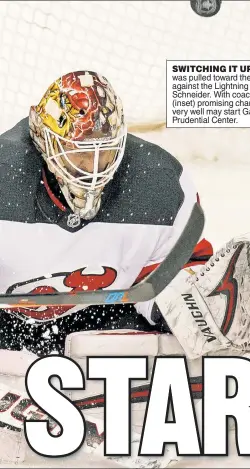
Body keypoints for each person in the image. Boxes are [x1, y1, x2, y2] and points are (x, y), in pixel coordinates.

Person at [0, 70, 213, 355]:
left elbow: (180, 270)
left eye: (105, 152)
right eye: (79, 153)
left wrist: (185, 303)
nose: (93, 167)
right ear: (42, 140)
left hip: (103, 324)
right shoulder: (6, 174)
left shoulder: (159, 184)